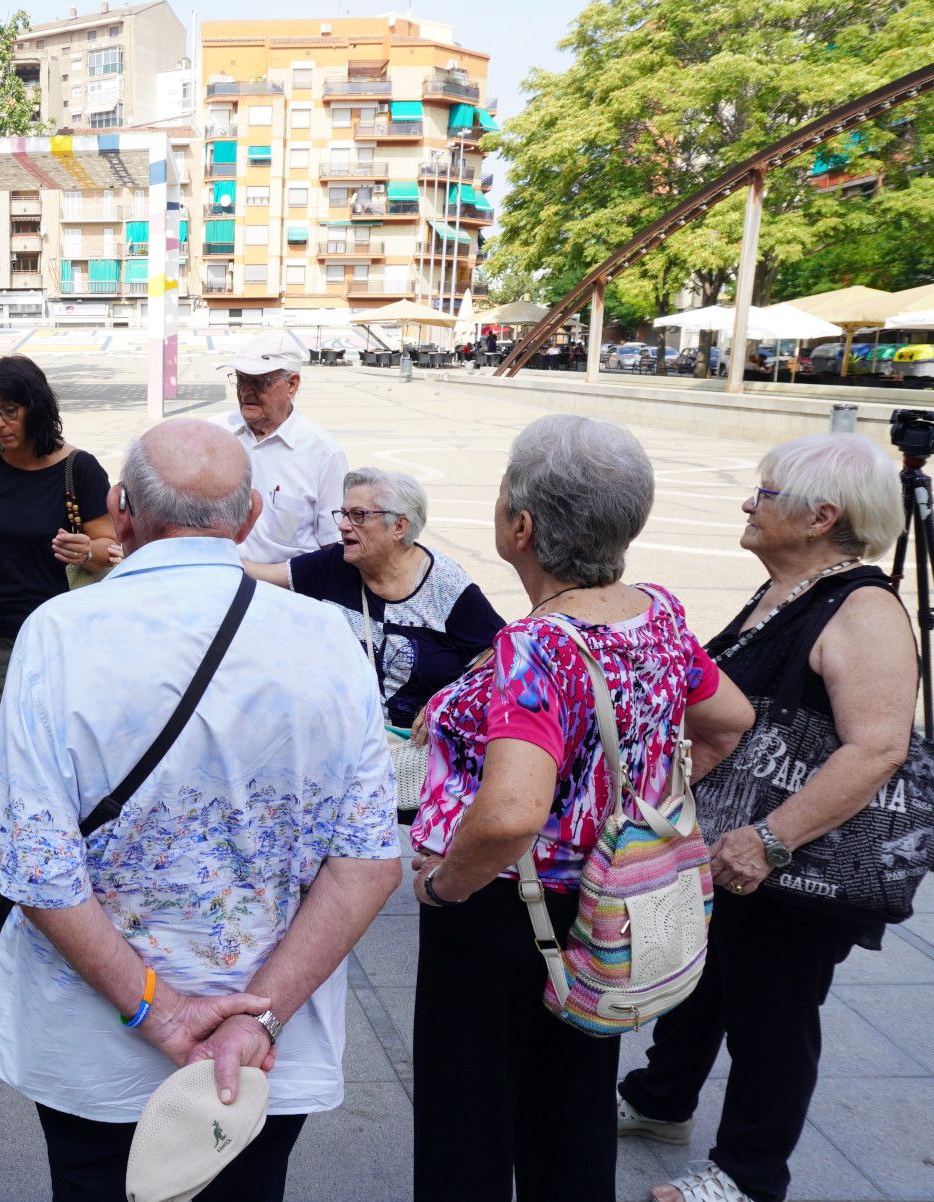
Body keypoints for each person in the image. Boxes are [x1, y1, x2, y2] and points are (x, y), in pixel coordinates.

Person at [0, 418, 402, 1202]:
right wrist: (255, 1021)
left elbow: (37, 867)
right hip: (265, 1047)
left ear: (120, 510)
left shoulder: (60, 633)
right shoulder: (330, 639)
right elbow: (368, 860)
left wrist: (162, 1015)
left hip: (94, 1038)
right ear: (247, 518)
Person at [405, 414, 754, 1202]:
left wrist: (443, 886)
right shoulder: (657, 612)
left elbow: (510, 814)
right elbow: (729, 719)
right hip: (610, 898)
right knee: (573, 1100)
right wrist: (638, 808)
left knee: (469, 1112)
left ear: (520, 527)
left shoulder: (538, 646)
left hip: (505, 907)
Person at [618, 434, 914, 1202]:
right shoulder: (788, 591)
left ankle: (748, 1176)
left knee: (774, 1018)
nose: (749, 504)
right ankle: (661, 1101)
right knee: (711, 979)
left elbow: (879, 747)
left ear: (821, 516)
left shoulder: (864, 608)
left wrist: (770, 840)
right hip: (735, 841)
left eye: (766, 493)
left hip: (800, 858)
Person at [244, 467, 504, 732]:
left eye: (358, 516)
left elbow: (501, 654)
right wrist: (209, 547)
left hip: (420, 749)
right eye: (343, 514)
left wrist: (450, 702)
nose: (344, 525)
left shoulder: (445, 585)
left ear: (399, 527)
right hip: (351, 739)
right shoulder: (336, 564)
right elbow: (261, 575)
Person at [0, 355, 118, 772]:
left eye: (9, 410)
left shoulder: (77, 468)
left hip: (58, 634)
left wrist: (85, 550)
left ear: (37, 408)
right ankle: (2, 822)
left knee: (52, 744)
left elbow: (109, 547)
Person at [218, 329, 348, 564]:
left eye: (259, 382)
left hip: (285, 592)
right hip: (218, 583)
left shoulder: (323, 454)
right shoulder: (216, 434)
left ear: (292, 385)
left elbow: (334, 546)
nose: (245, 391)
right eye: (241, 379)